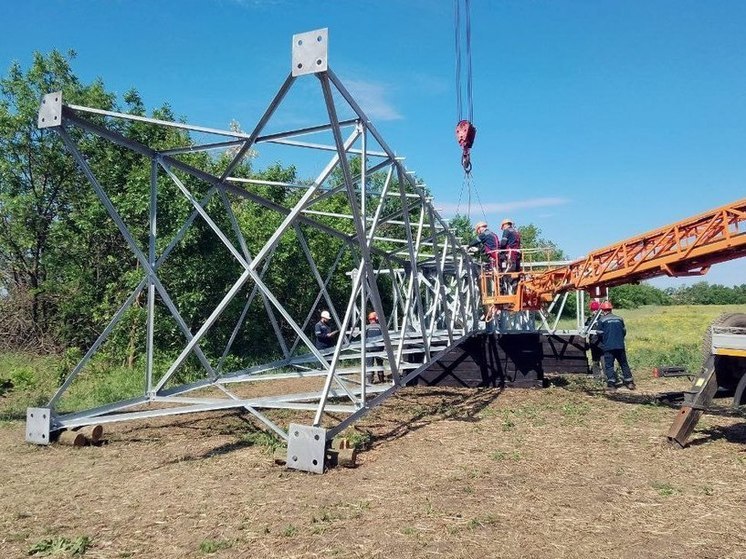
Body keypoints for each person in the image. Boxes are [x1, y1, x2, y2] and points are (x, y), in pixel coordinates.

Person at [597, 301, 636, 390]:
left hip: (608, 346)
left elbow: (599, 333)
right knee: (623, 363)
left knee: (609, 365)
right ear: (611, 309)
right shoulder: (619, 319)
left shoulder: (602, 320)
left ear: (603, 310)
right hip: (620, 346)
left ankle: (612, 384)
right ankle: (630, 382)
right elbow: (624, 331)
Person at [498, 218, 522, 293]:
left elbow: (503, 243)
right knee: (516, 274)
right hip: (517, 255)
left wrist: (499, 249)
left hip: (510, 255)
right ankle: (517, 291)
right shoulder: (516, 231)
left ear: (504, 225)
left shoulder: (507, 231)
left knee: (508, 274)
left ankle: (509, 292)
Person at [364, 311, 385, 383]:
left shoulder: (366, 328)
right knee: (380, 364)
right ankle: (381, 380)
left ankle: (370, 381)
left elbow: (363, 338)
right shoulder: (380, 327)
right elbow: (384, 338)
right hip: (379, 349)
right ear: (376, 319)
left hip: (369, 349)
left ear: (369, 319)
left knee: (369, 365)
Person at [585, 300, 603, 377]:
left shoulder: (602, 319)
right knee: (595, 360)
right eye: (593, 310)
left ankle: (607, 376)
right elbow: (585, 328)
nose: (594, 311)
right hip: (593, 342)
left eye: (596, 309)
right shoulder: (590, 319)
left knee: (603, 359)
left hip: (602, 342)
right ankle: (597, 376)